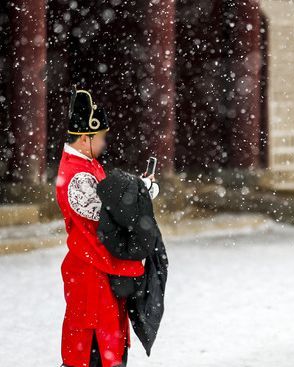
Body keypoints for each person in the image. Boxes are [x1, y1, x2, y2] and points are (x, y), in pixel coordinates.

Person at [55, 86, 158, 367]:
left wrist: (138, 188)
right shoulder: (76, 175)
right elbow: (108, 215)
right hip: (90, 269)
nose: (104, 143)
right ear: (86, 137)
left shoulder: (85, 165)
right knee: (93, 348)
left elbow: (113, 202)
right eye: (100, 137)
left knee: (106, 342)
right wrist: (141, 192)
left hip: (97, 266)